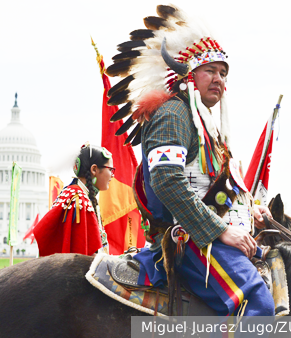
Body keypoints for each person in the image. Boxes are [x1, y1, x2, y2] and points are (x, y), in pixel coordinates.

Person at [106, 5, 275, 316]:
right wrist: (219, 230)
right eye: (210, 70)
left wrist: (251, 212)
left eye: (223, 73)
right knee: (257, 302)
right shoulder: (173, 113)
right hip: (188, 240)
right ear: (188, 74)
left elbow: (212, 187)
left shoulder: (203, 124)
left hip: (208, 235)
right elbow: (167, 181)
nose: (219, 79)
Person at [33, 144, 115, 256]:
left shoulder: (75, 193)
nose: (112, 175)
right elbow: (82, 254)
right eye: (110, 169)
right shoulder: (79, 200)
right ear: (94, 169)